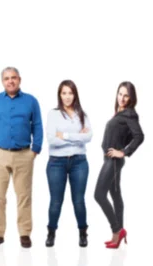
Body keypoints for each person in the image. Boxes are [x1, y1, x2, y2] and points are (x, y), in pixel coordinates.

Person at [0, 66, 43, 249]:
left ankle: (24, 233)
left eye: (14, 77)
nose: (10, 81)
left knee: (24, 196)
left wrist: (35, 150)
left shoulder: (31, 101)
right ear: (2, 81)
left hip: (24, 155)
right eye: (7, 78)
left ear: (20, 80)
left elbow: (37, 126)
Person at [94, 81, 144, 249]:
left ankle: (118, 230)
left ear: (131, 98)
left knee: (99, 195)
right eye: (120, 94)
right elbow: (127, 134)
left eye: (126, 95)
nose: (122, 98)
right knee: (115, 194)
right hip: (109, 159)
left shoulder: (130, 114)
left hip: (114, 161)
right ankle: (117, 235)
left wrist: (123, 151)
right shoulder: (120, 113)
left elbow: (139, 136)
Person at [44, 80, 92, 248]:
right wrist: (76, 136)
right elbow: (51, 140)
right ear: (59, 95)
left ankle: (83, 232)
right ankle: (51, 232)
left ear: (75, 95)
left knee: (79, 200)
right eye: (64, 93)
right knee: (56, 201)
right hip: (57, 162)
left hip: (79, 162)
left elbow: (89, 137)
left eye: (70, 93)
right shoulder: (53, 114)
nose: (67, 97)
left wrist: (63, 135)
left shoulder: (82, 114)